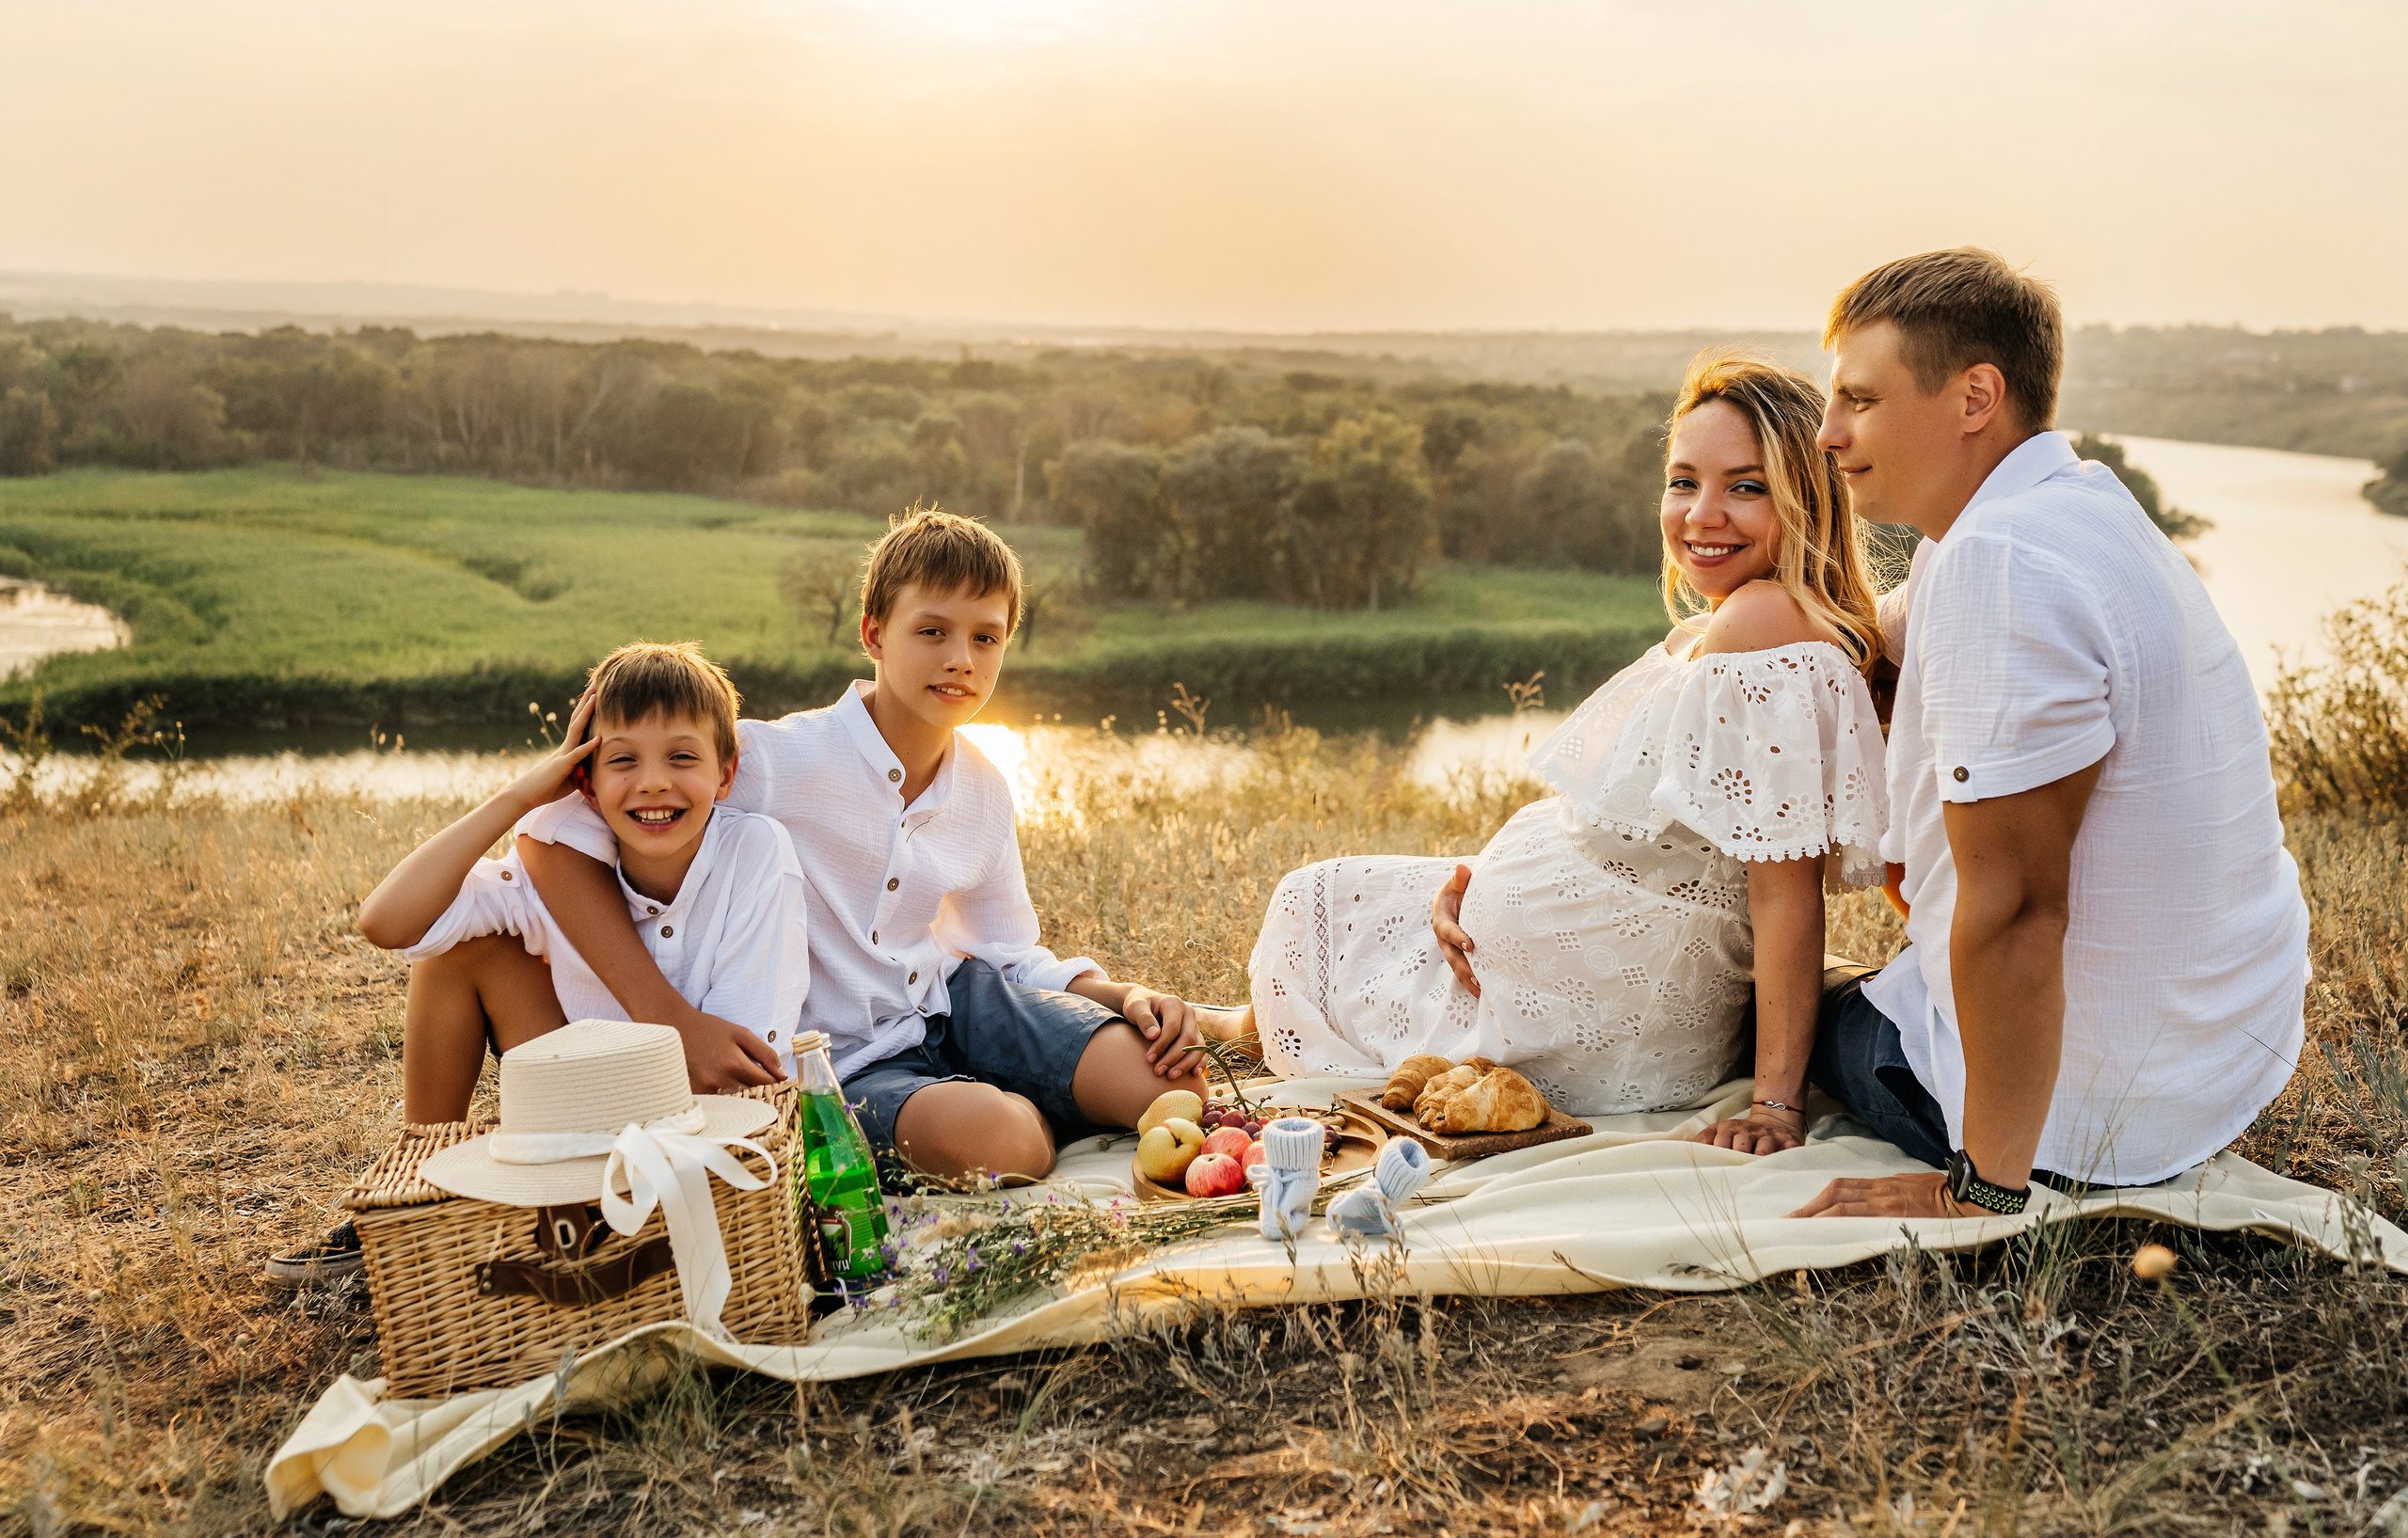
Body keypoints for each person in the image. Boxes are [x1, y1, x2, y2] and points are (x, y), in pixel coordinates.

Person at [1229, 353, 1888, 1148]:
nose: (1702, 514)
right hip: (1582, 979)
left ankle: (1233, 1027)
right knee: (1342, 898)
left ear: (1806, 498)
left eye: (1745, 487)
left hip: (1606, 1021)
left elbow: (1785, 893)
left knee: (1321, 897)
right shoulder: (1730, 624)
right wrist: (1476, 885)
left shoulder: (1762, 625)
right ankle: (1237, 1025)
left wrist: (1777, 1104)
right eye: (1683, 482)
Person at [1792, 247, 2309, 1221]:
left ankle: (1995, 1153)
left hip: (2095, 1109)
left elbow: (2021, 911)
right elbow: (1869, 649)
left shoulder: (2002, 563)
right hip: (2214, 1056)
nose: (1828, 433)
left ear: (1975, 397)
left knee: (1759, 1000)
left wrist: (1984, 1189)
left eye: (1859, 399)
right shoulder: (2063, 511)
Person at [520, 509, 1208, 1189]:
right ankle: (1014, 1111)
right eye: (932, 631)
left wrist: (1123, 994)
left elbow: (1008, 952)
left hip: (953, 1006)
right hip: (840, 1062)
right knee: (1004, 1140)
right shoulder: (771, 760)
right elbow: (549, 840)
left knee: (1173, 1083)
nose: (961, 659)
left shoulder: (985, 788)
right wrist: (675, 1023)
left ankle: (1014, 1098)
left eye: (986, 638)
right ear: (873, 633)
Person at [267, 639, 811, 1281]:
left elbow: (736, 1080)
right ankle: (416, 1196)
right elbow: (386, 920)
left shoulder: (755, 853)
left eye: (682, 757)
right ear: (585, 780)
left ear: (725, 773)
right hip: (575, 1121)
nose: (654, 782)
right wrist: (520, 796)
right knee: (455, 951)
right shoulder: (555, 869)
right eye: (623, 760)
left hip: (701, 1135)